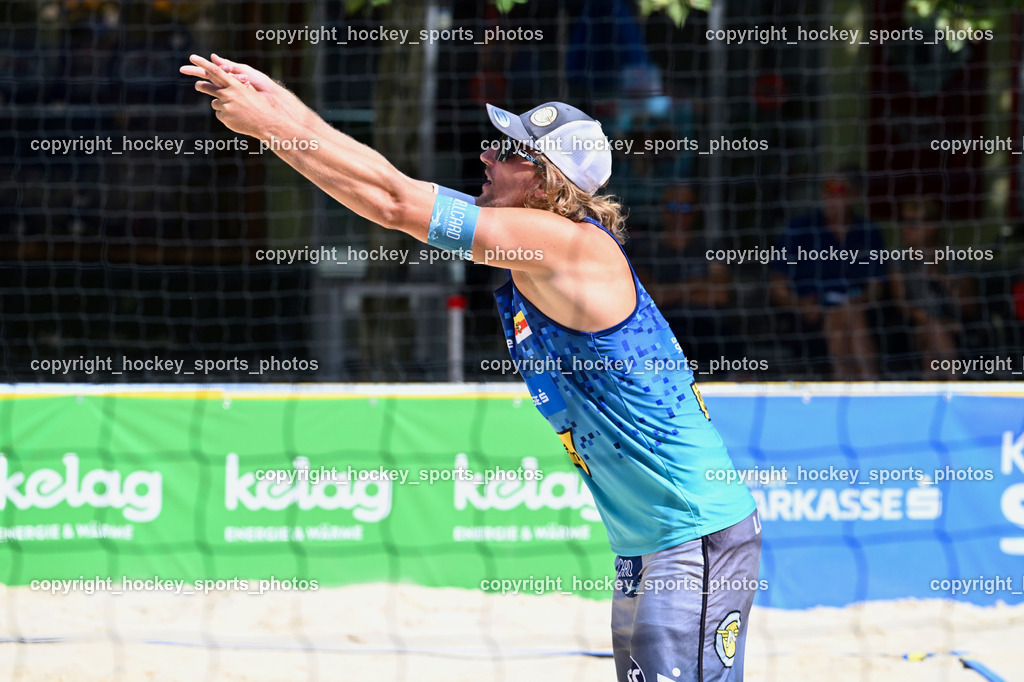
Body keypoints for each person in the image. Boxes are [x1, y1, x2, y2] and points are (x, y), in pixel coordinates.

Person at [181, 53, 761, 682]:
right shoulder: (539, 242)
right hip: (649, 541)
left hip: (693, 535)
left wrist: (270, 127)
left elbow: (394, 202)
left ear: (546, 181)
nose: (485, 156)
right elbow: (384, 183)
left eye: (506, 150)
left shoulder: (564, 246)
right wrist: (274, 100)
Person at [769, 170, 887, 380]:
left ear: (855, 195)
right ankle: (870, 385)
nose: (830, 196)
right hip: (809, 313)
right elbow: (777, 286)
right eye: (826, 189)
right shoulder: (800, 228)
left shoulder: (869, 231)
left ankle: (845, 386)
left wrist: (865, 299)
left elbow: (877, 285)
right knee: (843, 318)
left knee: (849, 315)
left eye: (838, 190)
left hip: (858, 310)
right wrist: (799, 304)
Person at [630, 184, 742, 373]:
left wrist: (669, 292)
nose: (679, 214)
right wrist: (698, 284)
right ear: (663, 210)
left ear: (695, 212)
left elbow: (720, 295)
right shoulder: (645, 249)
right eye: (673, 207)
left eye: (686, 208)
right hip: (662, 327)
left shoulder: (710, 246)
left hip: (709, 329)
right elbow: (647, 298)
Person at [889, 198, 961, 379]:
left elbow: (970, 306)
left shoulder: (952, 257)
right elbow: (900, 304)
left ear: (932, 226)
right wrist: (929, 321)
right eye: (903, 222)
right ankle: (954, 386)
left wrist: (942, 277)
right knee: (933, 331)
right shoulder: (898, 259)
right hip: (915, 327)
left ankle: (936, 394)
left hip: (956, 327)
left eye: (912, 223)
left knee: (933, 337)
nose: (905, 228)